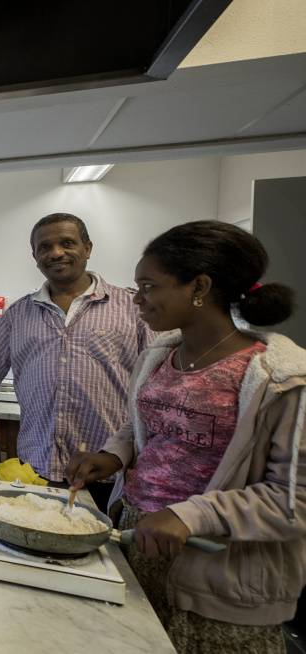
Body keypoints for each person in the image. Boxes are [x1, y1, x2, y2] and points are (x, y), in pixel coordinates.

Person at [66, 221, 304, 653]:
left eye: (149, 286)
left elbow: (294, 500)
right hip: (140, 540)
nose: (137, 298)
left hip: (218, 567)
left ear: (200, 286)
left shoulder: (279, 377)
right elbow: (149, 427)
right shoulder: (161, 355)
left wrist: (191, 516)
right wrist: (113, 455)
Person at [0, 213, 153, 513]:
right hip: (37, 467)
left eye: (67, 243)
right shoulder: (18, 314)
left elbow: (159, 385)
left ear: (87, 248)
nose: (56, 253)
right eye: (45, 247)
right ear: (35, 256)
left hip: (108, 470)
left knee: (103, 553)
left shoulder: (132, 308)